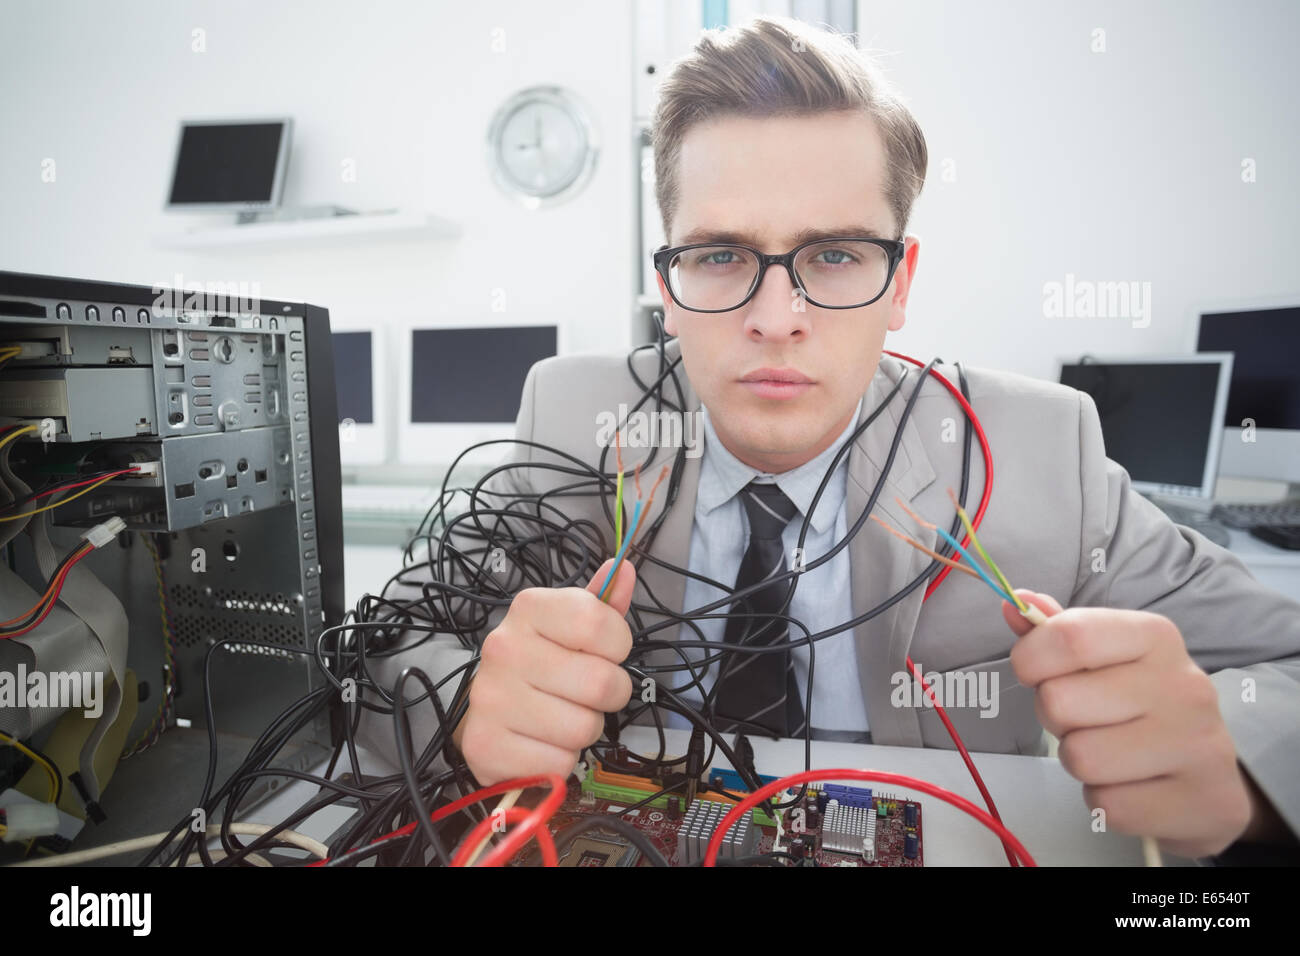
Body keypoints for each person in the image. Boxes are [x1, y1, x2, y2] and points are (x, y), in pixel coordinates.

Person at [362, 15, 1300, 860]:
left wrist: (1243, 773)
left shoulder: (1039, 449)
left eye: (836, 256)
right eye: (722, 255)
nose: (777, 318)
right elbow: (387, 643)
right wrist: (462, 708)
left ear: (900, 284)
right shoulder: (575, 416)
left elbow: (1283, 659)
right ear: (668, 278)